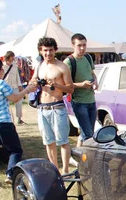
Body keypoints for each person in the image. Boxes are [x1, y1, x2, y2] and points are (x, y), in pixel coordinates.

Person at [0, 57, 36, 189]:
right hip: (2, 122)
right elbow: (15, 98)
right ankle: (10, 174)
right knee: (15, 150)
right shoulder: (0, 84)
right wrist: (27, 90)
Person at [30, 37, 74, 174]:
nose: (48, 53)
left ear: (55, 50)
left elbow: (70, 89)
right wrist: (35, 82)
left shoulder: (62, 67)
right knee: (48, 141)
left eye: (50, 50)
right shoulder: (39, 66)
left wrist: (56, 85)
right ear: (40, 51)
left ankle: (66, 170)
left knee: (63, 141)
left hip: (57, 107)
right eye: (45, 51)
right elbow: (31, 82)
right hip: (42, 108)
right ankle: (55, 170)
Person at [63, 33, 98, 147]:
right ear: (73, 45)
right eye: (79, 45)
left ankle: (78, 156)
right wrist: (81, 85)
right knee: (89, 135)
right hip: (79, 101)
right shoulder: (69, 61)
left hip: (91, 100)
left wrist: (95, 81)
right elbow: (65, 85)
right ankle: (88, 160)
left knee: (86, 131)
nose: (82, 48)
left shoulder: (88, 57)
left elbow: (93, 74)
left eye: (84, 45)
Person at [2, 51, 25, 125]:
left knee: (19, 102)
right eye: (12, 56)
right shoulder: (2, 65)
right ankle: (8, 120)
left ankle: (19, 119)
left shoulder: (14, 65)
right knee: (6, 104)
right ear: (8, 57)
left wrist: (19, 85)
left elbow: (17, 76)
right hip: (6, 86)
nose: (13, 58)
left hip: (15, 86)